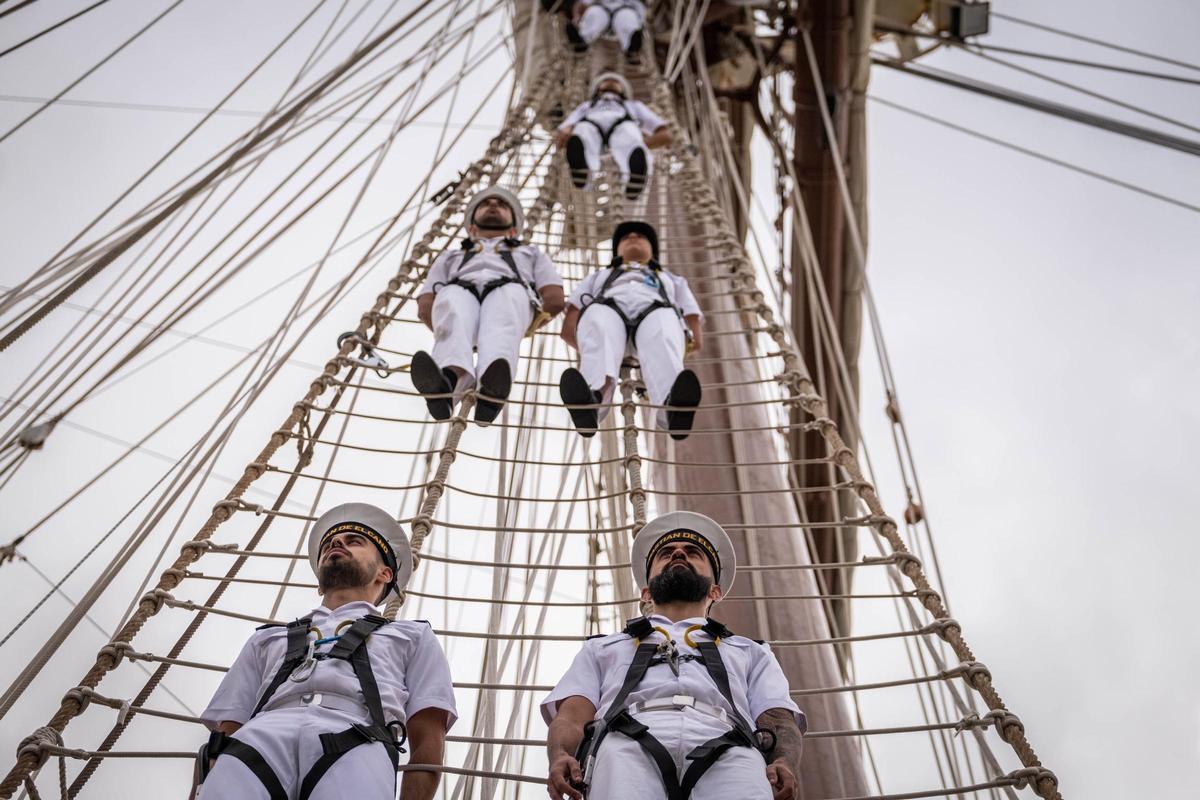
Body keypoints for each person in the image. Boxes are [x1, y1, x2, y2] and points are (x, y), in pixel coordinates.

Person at [196, 503, 456, 800]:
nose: (337, 543)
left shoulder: (412, 636)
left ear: (384, 574)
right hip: (258, 738)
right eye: (330, 543)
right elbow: (227, 730)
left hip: (359, 738)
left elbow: (428, 736)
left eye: (354, 541)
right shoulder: (267, 639)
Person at [542, 511, 805, 800]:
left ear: (715, 591)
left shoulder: (752, 652)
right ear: (645, 593)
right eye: (666, 553)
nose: (678, 553)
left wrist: (784, 761)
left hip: (732, 747)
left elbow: (777, 718)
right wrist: (561, 755)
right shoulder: (602, 648)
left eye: (693, 552)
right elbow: (573, 715)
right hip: (624, 745)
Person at [412, 186, 566, 424]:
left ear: (514, 228)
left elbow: (554, 297)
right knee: (451, 299)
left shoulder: (531, 253)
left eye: (502, 205)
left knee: (506, 303)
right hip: (461, 289)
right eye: (485, 204)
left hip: (511, 290)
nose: (493, 205)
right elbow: (427, 303)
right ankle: (449, 380)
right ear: (471, 227)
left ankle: (491, 389)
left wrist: (526, 325)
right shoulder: (450, 256)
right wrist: (466, 334)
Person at [559, 221, 702, 440]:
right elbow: (571, 323)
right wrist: (600, 349)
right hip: (609, 310)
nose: (633, 237)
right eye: (625, 237)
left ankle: (673, 406)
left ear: (653, 250)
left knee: (664, 327)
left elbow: (693, 327)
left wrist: (682, 340)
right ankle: (590, 399)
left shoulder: (673, 280)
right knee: (598, 321)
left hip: (655, 312)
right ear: (616, 250)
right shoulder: (597, 277)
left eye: (640, 236)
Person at [556, 72, 672, 199]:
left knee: (630, 135)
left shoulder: (634, 105)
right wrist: (566, 132)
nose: (611, 80)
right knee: (582, 132)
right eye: (606, 80)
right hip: (591, 125)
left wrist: (640, 144)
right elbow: (567, 127)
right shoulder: (586, 106)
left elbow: (664, 133)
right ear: (597, 89)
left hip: (623, 126)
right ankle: (584, 171)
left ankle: (634, 178)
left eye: (615, 81)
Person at [565, 0, 646, 58]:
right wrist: (577, 15)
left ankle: (632, 47)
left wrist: (642, 20)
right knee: (594, 16)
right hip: (600, 8)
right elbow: (581, 4)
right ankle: (581, 41)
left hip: (626, 8)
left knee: (627, 20)